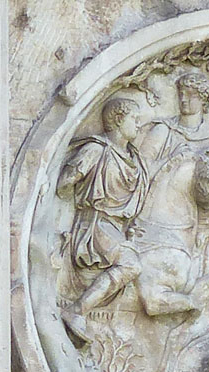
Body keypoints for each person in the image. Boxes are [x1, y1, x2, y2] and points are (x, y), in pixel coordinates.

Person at [57, 97, 149, 343]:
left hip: (116, 228)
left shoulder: (134, 159)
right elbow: (65, 181)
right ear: (119, 120)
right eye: (134, 119)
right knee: (132, 265)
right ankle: (76, 310)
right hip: (95, 226)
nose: (139, 125)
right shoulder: (97, 149)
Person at [141, 71, 209, 175]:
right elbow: (141, 171)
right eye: (181, 94)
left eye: (191, 95)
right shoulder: (163, 131)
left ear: (204, 99)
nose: (183, 99)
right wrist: (172, 159)